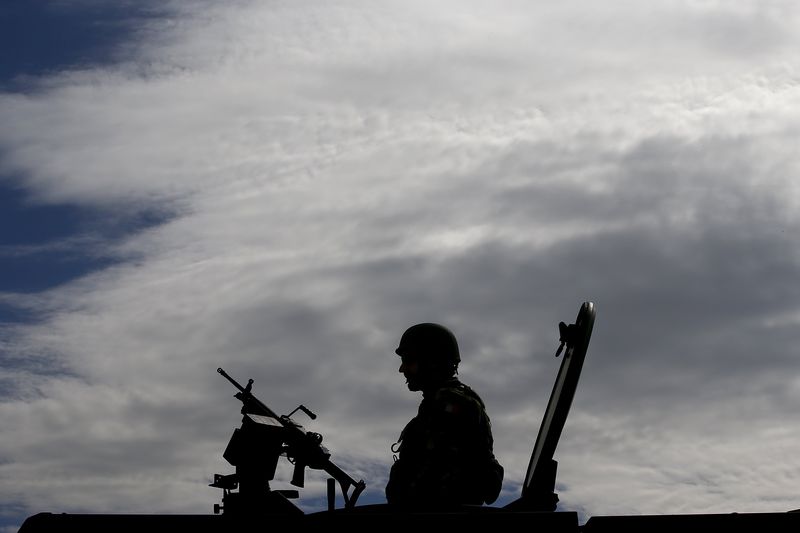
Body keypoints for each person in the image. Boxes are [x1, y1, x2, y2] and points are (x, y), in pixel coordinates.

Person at [385, 322, 504, 508]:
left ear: (432, 362)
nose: (402, 370)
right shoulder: (440, 402)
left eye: (409, 361)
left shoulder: (450, 404)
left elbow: (433, 477)